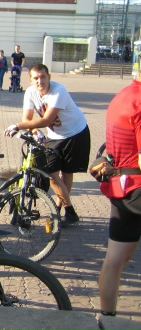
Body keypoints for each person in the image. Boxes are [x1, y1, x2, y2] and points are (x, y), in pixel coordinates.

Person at [4, 63, 90, 226]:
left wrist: (17, 126)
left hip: (75, 132)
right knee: (51, 173)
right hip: (54, 136)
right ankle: (69, 211)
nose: (40, 81)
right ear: (30, 80)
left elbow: (46, 120)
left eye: (43, 77)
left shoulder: (59, 91)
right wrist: (35, 131)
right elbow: (27, 119)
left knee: (67, 173)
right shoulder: (30, 92)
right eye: (36, 78)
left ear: (49, 77)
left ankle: (60, 210)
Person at [98, 72, 141, 317]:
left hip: (120, 186)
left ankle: (107, 318)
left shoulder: (123, 95)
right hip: (137, 186)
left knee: (115, 259)